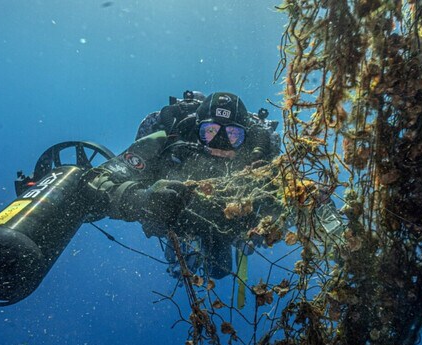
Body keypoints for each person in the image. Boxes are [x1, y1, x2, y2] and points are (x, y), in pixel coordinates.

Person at [84, 90, 281, 279]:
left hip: (225, 224)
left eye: (232, 134)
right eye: (210, 132)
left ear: (245, 139)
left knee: (220, 271)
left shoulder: (258, 163)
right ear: (196, 131)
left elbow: (289, 202)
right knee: (201, 262)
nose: (220, 143)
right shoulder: (166, 142)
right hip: (174, 215)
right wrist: (141, 200)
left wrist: (268, 224)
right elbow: (95, 181)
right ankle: (185, 247)